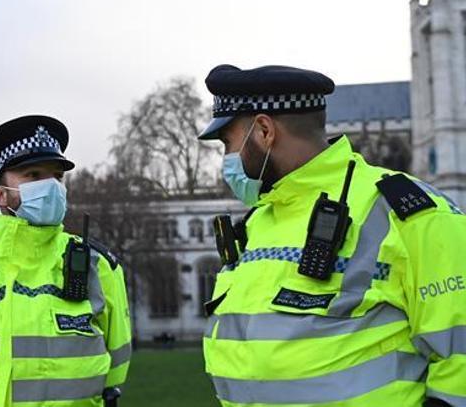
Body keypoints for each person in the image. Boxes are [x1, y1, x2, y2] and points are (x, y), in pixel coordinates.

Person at [198, 64, 466, 406]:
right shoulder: (257, 221)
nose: (227, 158)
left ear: (264, 131)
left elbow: (460, 363)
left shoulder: (409, 212)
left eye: (227, 142)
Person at [0, 115, 132, 406]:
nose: (51, 186)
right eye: (33, 175)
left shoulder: (98, 265)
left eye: (57, 176)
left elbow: (118, 359)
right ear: (1, 195)